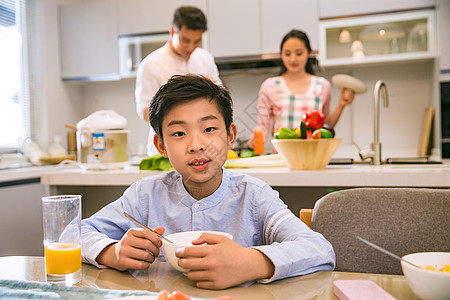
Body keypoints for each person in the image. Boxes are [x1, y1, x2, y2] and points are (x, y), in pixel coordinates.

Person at [81, 75, 335, 290]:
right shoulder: (144, 196)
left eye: (210, 129)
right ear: (161, 146)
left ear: (230, 135)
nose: (197, 145)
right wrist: (111, 252)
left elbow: (319, 250)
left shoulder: (255, 197)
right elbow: (73, 232)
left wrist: (252, 262)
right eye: (179, 133)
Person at [135, 6, 221, 156]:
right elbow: (144, 112)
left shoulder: (205, 59)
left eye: (197, 41)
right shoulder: (151, 64)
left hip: (204, 146)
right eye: (185, 40)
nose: (190, 47)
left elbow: (220, 102)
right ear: (173, 31)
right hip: (166, 149)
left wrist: (212, 90)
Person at [249, 29, 354, 148]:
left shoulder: (322, 86)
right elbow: (262, 126)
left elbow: (326, 126)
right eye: (287, 54)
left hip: (314, 157)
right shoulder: (270, 86)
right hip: (282, 160)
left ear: (308, 53)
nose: (293, 59)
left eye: (299, 53)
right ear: (281, 54)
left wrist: (341, 105)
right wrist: (255, 140)